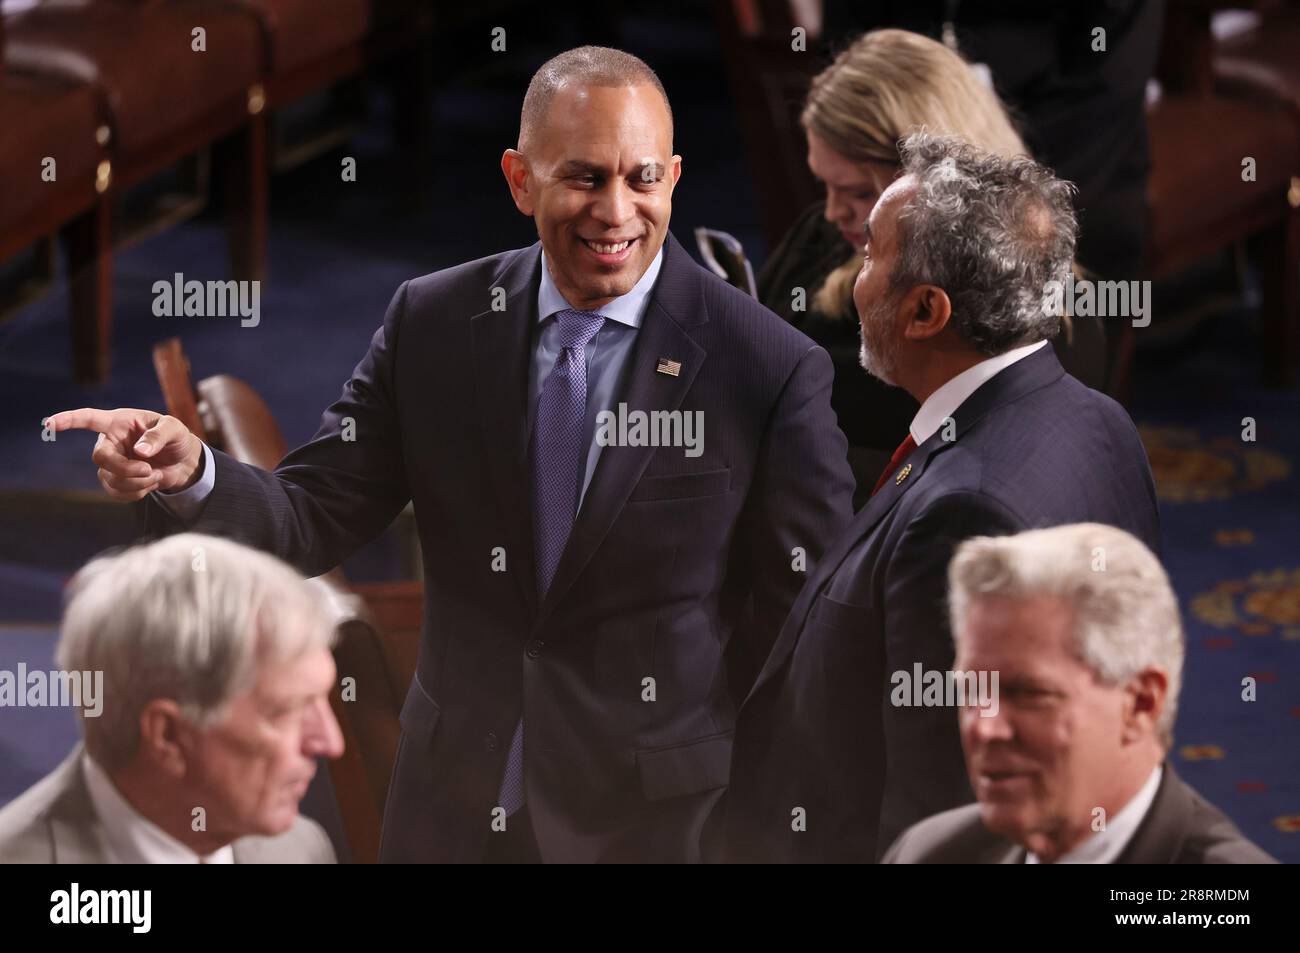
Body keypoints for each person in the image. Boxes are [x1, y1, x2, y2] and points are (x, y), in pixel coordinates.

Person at [48, 46, 855, 863]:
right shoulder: (432, 321)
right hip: (450, 812)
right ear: (519, 179)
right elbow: (311, 512)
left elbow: (805, 637)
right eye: (582, 177)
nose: (616, 211)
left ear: (673, 178)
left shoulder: (767, 365)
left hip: (660, 830)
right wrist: (191, 475)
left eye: (642, 178)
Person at [723, 134, 1161, 863]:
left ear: (925, 311)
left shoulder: (961, 522)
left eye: (869, 256)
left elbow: (950, 818)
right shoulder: (1101, 420)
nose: (854, 278)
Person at [757, 28, 1106, 502]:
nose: (832, 212)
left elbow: (958, 494)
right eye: (824, 184)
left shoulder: (1036, 324)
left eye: (860, 192)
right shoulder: (821, 238)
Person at [884, 523, 1275, 864]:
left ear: (1140, 704)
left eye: (1029, 694)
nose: (984, 729)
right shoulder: (924, 854)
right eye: (974, 689)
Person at [0, 534, 341, 863]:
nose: (330, 742)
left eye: (323, 699)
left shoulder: (299, 849)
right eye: (287, 711)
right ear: (169, 736)